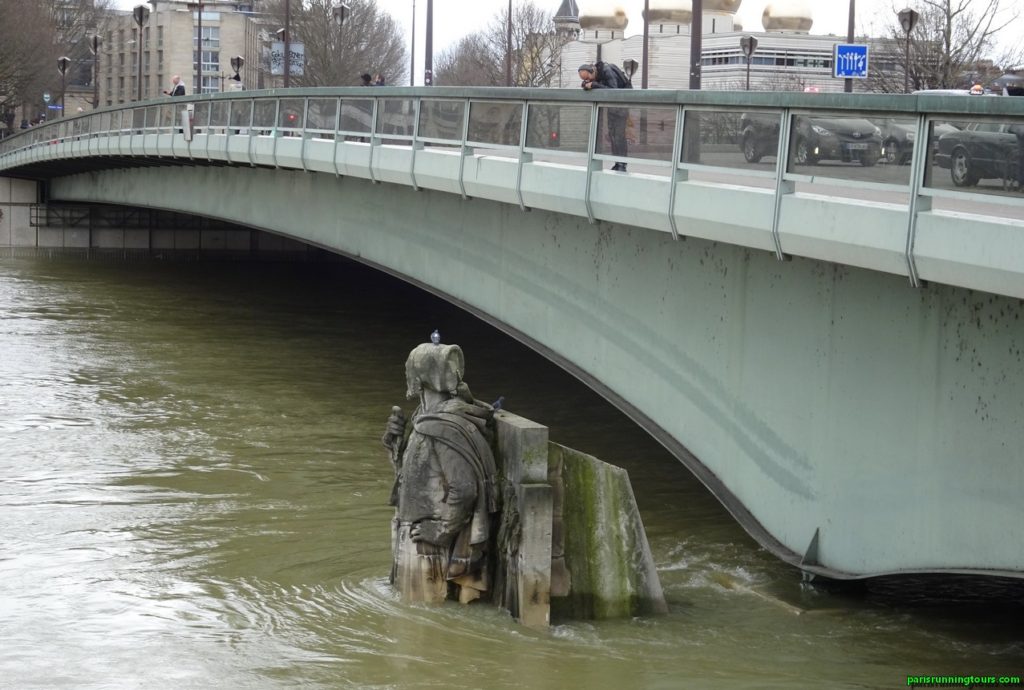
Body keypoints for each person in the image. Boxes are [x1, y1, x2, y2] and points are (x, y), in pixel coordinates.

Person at [382, 340, 498, 605]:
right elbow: (412, 477)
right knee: (409, 624)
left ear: (419, 377)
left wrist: (441, 530)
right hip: (414, 534)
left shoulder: (443, 427)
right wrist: (395, 441)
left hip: (428, 546)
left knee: (419, 627)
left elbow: (465, 488)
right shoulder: (424, 418)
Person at [578, 61, 632, 171]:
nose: (588, 81)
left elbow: (613, 91)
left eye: (588, 78)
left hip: (622, 103)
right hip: (612, 106)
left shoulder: (607, 71)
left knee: (619, 135)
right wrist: (586, 84)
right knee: (612, 134)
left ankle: (622, 164)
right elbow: (593, 85)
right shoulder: (597, 75)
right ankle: (617, 162)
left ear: (593, 72)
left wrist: (594, 85)